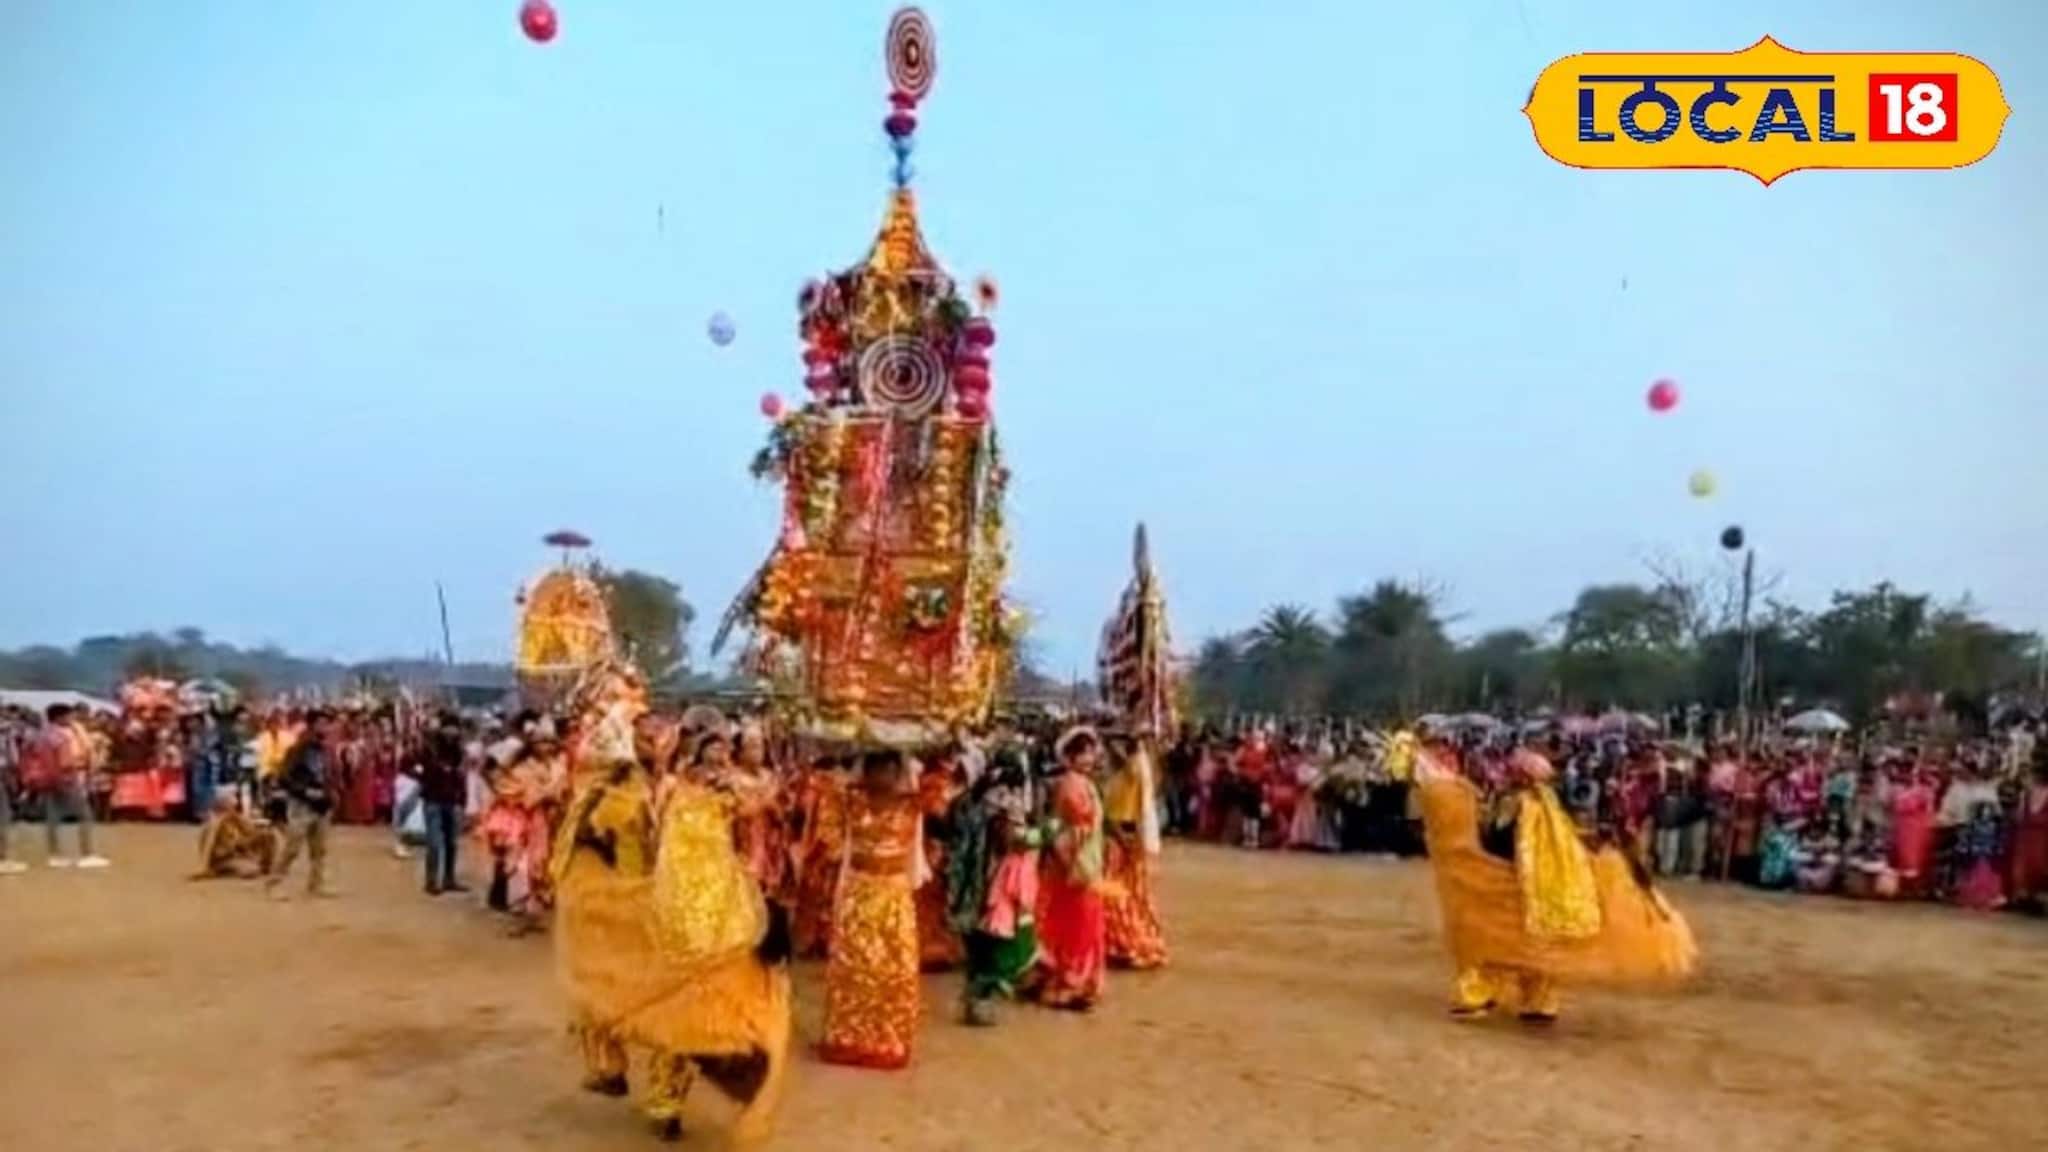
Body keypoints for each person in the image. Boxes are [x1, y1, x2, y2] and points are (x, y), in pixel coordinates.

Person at [1418, 746, 1696, 1025]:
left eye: (1513, 771)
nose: (1508, 775)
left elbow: (1498, 840)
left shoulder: (1518, 804)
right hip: (1539, 884)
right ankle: (1539, 1000)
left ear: (1522, 776)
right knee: (1539, 942)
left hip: (1508, 880)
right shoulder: (1546, 803)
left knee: (1489, 939)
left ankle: (1479, 994)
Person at [818, 749, 923, 1069]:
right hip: (859, 891)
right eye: (876, 770)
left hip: (893, 893)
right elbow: (829, 836)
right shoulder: (850, 801)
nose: (883, 778)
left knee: (896, 966)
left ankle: (888, 1038)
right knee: (855, 965)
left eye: (890, 770)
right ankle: (848, 1037)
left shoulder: (913, 803)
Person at [946, 751, 1042, 1026]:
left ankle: (975, 1000)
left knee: (977, 949)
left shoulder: (966, 802)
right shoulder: (1000, 807)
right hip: (988, 892)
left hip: (967, 888)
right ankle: (979, 999)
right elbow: (1014, 840)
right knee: (991, 951)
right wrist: (1044, 832)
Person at [1028, 726, 1109, 1011]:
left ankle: (1074, 980)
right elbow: (1075, 826)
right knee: (1078, 925)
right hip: (1074, 864)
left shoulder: (1082, 782)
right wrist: (1074, 861)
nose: (1088, 758)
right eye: (1082, 753)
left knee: (1082, 924)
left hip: (1084, 860)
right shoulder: (1072, 784)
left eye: (1090, 752)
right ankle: (1070, 982)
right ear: (1070, 756)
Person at [1101, 735, 1168, 970]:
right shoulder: (1120, 776)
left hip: (1121, 837)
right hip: (1121, 836)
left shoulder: (1132, 773)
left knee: (1117, 894)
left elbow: (1113, 816)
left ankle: (1123, 942)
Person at [266, 711, 335, 898]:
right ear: (311, 726)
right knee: (293, 846)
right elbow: (284, 777)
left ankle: (316, 884)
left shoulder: (326, 751)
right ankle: (275, 883)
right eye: (321, 724)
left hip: (322, 804)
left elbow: (330, 776)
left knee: (319, 849)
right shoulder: (297, 750)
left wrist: (330, 795)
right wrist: (304, 791)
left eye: (327, 724)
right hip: (301, 804)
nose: (325, 728)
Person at [36, 705, 108, 869]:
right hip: (65, 778)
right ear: (59, 717)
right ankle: (87, 854)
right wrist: (69, 775)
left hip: (48, 779)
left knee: (53, 817)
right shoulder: (60, 736)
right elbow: (65, 761)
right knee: (85, 815)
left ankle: (54, 855)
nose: (71, 719)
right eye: (68, 716)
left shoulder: (43, 734)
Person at [419, 713, 470, 895]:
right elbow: (426, 772)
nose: (451, 731)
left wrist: (462, 802)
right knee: (434, 842)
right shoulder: (430, 749)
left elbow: (462, 778)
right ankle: (431, 880)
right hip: (433, 800)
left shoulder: (459, 751)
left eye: (454, 728)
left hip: (451, 801)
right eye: (448, 727)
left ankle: (449, 878)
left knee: (451, 843)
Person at [194, 794, 282, 879]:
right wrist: (205, 867)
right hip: (222, 860)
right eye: (233, 807)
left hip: (237, 854)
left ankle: (265, 866)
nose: (235, 810)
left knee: (267, 834)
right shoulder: (215, 823)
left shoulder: (235, 820)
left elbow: (250, 832)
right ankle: (225, 870)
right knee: (251, 870)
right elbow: (209, 845)